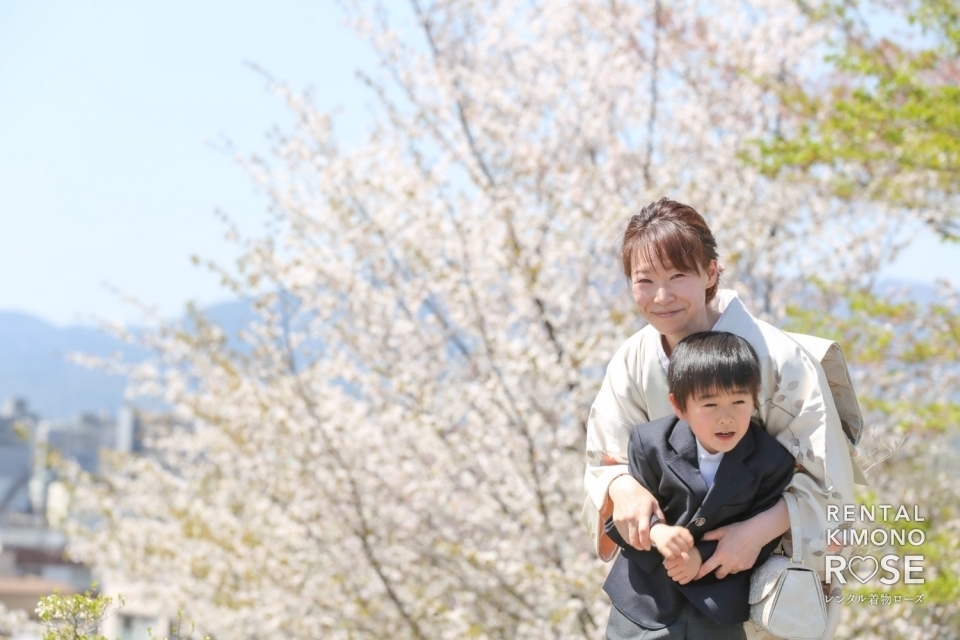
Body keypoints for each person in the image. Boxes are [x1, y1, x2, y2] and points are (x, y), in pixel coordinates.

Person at [582, 197, 863, 639]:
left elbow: (827, 485)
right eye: (645, 280)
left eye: (678, 276)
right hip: (655, 588)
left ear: (711, 272)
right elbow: (606, 457)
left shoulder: (780, 360)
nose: (662, 296)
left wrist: (755, 532)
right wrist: (624, 489)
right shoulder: (634, 359)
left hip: (754, 582)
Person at [602, 331, 795, 639]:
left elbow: (759, 539)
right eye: (710, 404)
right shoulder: (650, 443)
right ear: (680, 405)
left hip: (718, 606)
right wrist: (657, 533)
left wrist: (700, 557)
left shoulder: (771, 461)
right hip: (644, 599)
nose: (726, 418)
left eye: (739, 401)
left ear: (755, 397)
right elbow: (625, 516)